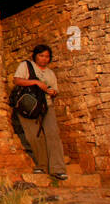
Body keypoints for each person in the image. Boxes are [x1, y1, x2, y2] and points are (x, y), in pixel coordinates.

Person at [12, 44, 68, 180]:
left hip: (46, 106)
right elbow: (17, 80)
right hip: (28, 106)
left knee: (53, 134)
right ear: (35, 56)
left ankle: (58, 168)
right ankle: (42, 165)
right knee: (34, 136)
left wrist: (52, 91)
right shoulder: (26, 66)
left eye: (47, 56)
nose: (44, 59)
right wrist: (36, 83)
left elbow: (55, 90)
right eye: (41, 55)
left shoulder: (50, 73)